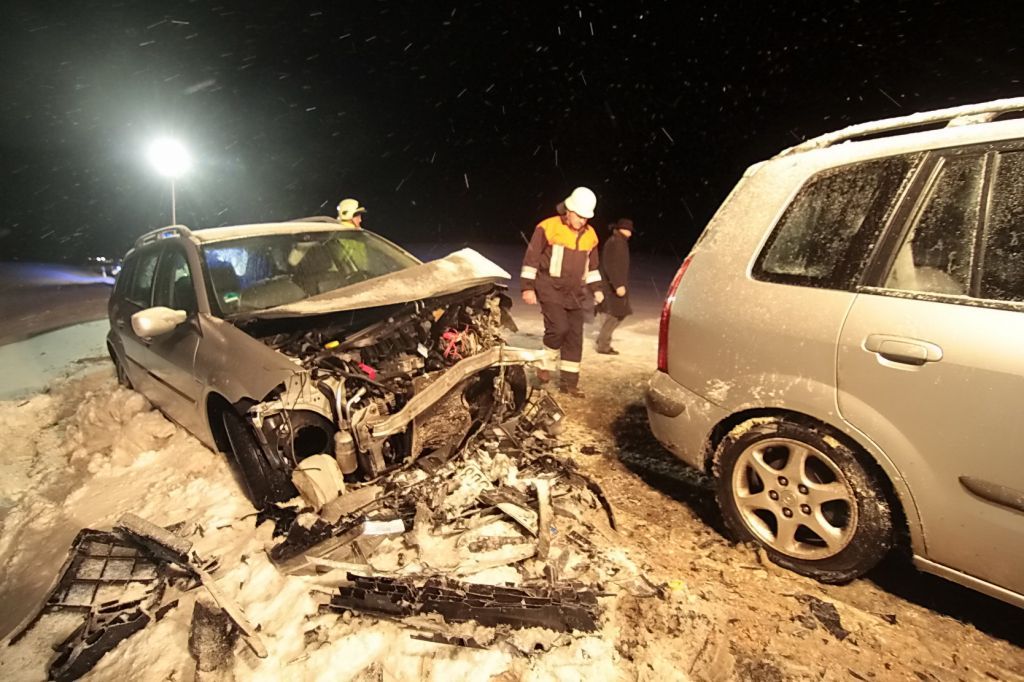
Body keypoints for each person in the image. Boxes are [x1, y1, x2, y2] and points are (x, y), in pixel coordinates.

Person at [520, 187, 604, 396]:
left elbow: (593, 267)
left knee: (574, 336)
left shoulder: (591, 235)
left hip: (576, 293)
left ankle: (569, 383)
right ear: (569, 210)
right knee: (559, 328)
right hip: (549, 288)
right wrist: (528, 287)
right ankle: (545, 365)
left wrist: (597, 289)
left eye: (586, 217)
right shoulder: (548, 227)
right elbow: (531, 259)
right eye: (579, 216)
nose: (582, 221)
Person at [595, 218, 634, 354]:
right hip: (612, 286)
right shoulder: (617, 242)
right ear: (621, 229)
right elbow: (612, 266)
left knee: (616, 313)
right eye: (628, 230)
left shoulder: (618, 241)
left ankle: (602, 340)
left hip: (612, 284)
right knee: (616, 314)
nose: (630, 233)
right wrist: (618, 284)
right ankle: (603, 344)